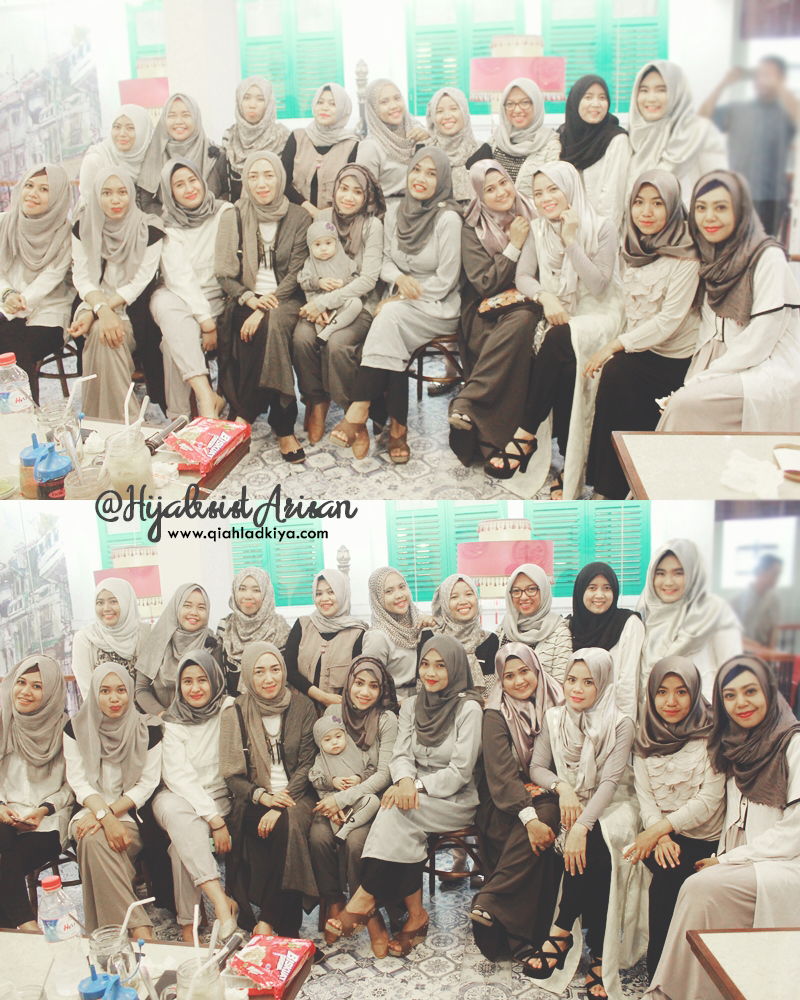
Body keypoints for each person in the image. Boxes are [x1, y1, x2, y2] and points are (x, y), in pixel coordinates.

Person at [645, 655, 800, 1000]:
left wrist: (727, 860)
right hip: (744, 860)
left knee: (698, 888)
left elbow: (795, 832)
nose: (740, 702)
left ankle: (668, 991)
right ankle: (695, 989)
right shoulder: (733, 745)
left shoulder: (793, 744)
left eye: (750, 691)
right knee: (692, 887)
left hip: (784, 863)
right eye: (729, 695)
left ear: (770, 692)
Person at [325, 636, 483, 956]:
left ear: (455, 668)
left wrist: (415, 786)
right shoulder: (411, 704)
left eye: (440, 665)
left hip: (454, 800)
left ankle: (364, 899)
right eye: (425, 663)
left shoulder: (469, 708)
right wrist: (406, 780)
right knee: (399, 813)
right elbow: (400, 755)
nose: (430, 672)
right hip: (413, 793)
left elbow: (460, 771)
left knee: (395, 809)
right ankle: (415, 916)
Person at [487, 162, 624, 501]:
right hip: (565, 315)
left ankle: (526, 433)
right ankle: (567, 463)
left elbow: (600, 285)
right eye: (538, 193)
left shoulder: (603, 227)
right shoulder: (537, 228)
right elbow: (523, 277)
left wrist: (570, 241)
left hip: (601, 315)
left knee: (559, 339)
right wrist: (545, 297)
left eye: (553, 189)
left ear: (571, 189)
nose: (545, 199)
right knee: (562, 355)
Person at [329, 147, 462, 464]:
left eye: (432, 173)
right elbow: (386, 261)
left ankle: (359, 408)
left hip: (437, 305)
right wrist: (400, 279)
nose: (421, 178)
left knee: (388, 318)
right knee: (392, 334)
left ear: (443, 179)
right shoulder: (395, 212)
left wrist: (400, 296)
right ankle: (398, 430)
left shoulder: (448, 219)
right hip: (400, 302)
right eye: (416, 169)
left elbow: (447, 279)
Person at [528, 649, 646, 999]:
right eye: (571, 680)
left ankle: (561, 931)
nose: (576, 689)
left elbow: (610, 783)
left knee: (597, 843)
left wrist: (580, 826)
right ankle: (598, 955)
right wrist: (562, 788)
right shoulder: (554, 717)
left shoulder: (621, 723)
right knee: (597, 856)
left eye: (588, 682)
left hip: (616, 803)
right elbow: (537, 767)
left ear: (604, 684)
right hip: (573, 800)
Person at [585, 169, 701, 499]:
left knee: (616, 373)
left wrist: (614, 345)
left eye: (657, 203)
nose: (646, 212)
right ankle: (605, 485)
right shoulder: (634, 246)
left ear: (673, 207)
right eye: (639, 202)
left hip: (675, 360)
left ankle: (615, 488)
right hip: (644, 349)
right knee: (611, 377)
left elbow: (669, 320)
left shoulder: (687, 253)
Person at [658, 170, 800, 433]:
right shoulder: (710, 254)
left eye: (721, 207)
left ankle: (660, 460)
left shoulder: (767, 257)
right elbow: (709, 330)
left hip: (766, 363)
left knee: (684, 405)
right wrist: (698, 376)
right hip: (726, 360)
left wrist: (699, 382)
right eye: (701, 207)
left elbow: (760, 340)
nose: (709, 217)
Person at [625, 656, 725, 979]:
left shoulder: (712, 736)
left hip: (706, 839)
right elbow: (646, 799)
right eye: (662, 692)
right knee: (665, 874)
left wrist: (657, 831)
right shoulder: (644, 739)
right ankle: (661, 975)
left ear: (694, 693)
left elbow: (709, 801)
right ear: (651, 694)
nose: (671, 701)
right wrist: (662, 837)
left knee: (669, 881)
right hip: (664, 837)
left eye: (681, 692)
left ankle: (672, 976)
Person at [470, 644, 564, 964]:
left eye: (524, 671)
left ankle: (491, 902)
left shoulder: (559, 700)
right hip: (502, 795)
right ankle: (523, 936)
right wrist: (529, 817)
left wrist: (548, 787)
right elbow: (500, 774)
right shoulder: (495, 712)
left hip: (547, 788)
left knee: (548, 816)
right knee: (534, 828)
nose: (519, 681)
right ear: (500, 679)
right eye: (508, 676)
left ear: (536, 668)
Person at [214, 151, 311, 458]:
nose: (261, 183)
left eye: (269, 175)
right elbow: (224, 273)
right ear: (245, 181)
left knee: (271, 325)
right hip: (245, 297)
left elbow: (297, 272)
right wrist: (251, 300)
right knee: (261, 331)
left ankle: (243, 415)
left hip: (287, 298)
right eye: (253, 176)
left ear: (280, 178)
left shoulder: (299, 216)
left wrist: (266, 307)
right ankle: (283, 427)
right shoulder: (234, 214)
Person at [218, 642, 318, 936]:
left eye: (275, 669)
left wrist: (279, 803)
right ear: (248, 675)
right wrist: (264, 798)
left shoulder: (302, 706)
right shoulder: (235, 712)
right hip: (253, 800)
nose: (269, 678)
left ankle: (269, 921)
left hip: (298, 794)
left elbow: (308, 764)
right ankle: (286, 931)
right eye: (259, 672)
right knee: (285, 829)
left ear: (284, 670)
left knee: (288, 825)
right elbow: (232, 776)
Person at [448, 160, 538, 467]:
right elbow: (485, 283)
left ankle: (468, 405)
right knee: (511, 333)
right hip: (484, 309)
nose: (501, 193)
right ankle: (493, 441)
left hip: (526, 302)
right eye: (489, 189)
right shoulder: (472, 227)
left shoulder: (534, 212)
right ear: (479, 195)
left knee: (522, 323)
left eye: (504, 183)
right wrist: (514, 246)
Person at [63, 666, 163, 938]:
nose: (114, 698)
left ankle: (108, 935)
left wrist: (108, 815)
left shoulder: (148, 729)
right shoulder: (75, 728)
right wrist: (105, 818)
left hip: (130, 816)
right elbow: (78, 782)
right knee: (93, 840)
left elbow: (147, 784)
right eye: (105, 691)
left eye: (121, 690)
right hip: (87, 811)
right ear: (94, 694)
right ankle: (139, 927)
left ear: (130, 692)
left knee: (92, 844)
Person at [308, 656, 398, 956]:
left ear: (382, 689)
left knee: (357, 842)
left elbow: (384, 775)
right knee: (318, 837)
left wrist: (343, 799)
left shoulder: (386, 720)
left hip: (368, 803)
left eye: (373, 686)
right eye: (359, 683)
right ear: (349, 684)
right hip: (331, 798)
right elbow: (320, 761)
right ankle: (335, 902)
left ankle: (369, 916)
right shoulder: (334, 712)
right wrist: (329, 796)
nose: (364, 692)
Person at [292, 164, 386, 441]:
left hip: (359, 305)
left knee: (337, 344)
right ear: (334, 190)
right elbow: (309, 266)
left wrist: (326, 303)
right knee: (301, 339)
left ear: (367, 196)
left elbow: (368, 280)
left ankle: (351, 415)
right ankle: (317, 402)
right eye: (343, 188)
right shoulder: (323, 217)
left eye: (357, 191)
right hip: (319, 300)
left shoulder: (372, 225)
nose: (348, 197)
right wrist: (318, 300)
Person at [152, 651, 238, 942]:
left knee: (182, 843)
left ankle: (189, 922)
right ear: (178, 685)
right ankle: (221, 903)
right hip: (177, 796)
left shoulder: (229, 708)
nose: (195, 688)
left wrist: (213, 814)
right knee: (178, 816)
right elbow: (178, 776)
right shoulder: (172, 720)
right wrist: (214, 820)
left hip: (220, 795)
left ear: (215, 680)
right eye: (187, 681)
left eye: (202, 679)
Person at [69, 165, 164, 422]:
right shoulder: (83, 226)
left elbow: (139, 282)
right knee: (103, 336)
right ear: (96, 195)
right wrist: (99, 310)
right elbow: (82, 277)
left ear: (131, 193)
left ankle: (99, 422)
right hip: (92, 304)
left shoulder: (149, 229)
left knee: (104, 336)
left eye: (122, 192)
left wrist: (101, 312)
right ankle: (126, 423)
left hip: (131, 311)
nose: (115, 200)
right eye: (107, 193)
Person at [149, 157, 233, 419]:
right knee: (166, 305)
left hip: (217, 295)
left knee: (171, 341)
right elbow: (179, 278)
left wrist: (207, 319)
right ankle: (207, 397)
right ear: (170, 192)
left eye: (193, 180)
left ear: (202, 180)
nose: (189, 189)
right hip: (178, 296)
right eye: (179, 185)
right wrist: (206, 323)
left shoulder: (224, 212)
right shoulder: (167, 224)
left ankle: (180, 417)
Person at [0, 656, 72, 931]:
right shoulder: (3, 722)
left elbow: (73, 786)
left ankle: (16, 933)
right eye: (21, 682)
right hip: (5, 816)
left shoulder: (67, 729)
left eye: (37, 686)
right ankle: (27, 926)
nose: (25, 692)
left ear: (51, 691)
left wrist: (43, 809)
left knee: (5, 864)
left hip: (48, 821)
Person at [699, 56, 797, 237]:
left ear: (781, 79)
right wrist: (724, 83)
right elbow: (702, 116)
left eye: (768, 74)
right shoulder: (739, 109)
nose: (761, 79)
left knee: (764, 248)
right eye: (759, 74)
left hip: (771, 199)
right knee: (734, 247)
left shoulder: (786, 112)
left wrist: (780, 86)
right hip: (737, 195)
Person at [0, 163, 74, 402]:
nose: (33, 194)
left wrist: (18, 305)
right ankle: (27, 410)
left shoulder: (65, 233)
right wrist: (7, 294)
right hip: (6, 304)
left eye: (44, 189)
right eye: (29, 185)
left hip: (48, 313)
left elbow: (51, 277)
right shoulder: (4, 223)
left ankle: (22, 412)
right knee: (8, 337)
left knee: (10, 344)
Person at [637, 539, 742, 704]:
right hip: (649, 712)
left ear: (693, 574)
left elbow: (733, 672)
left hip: (701, 711)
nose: (668, 582)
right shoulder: (644, 612)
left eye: (678, 573)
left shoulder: (714, 611)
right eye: (661, 573)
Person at [626, 61, 727, 206]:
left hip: (686, 219)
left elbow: (721, 189)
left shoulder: (698, 131)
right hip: (637, 219)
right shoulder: (632, 135)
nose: (651, 98)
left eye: (661, 90)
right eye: (644, 90)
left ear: (677, 92)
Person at [567, 562, 644, 721]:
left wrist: (624, 726)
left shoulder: (629, 624)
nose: (600, 595)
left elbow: (628, 684)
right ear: (581, 590)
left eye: (607, 588)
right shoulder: (569, 627)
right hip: (574, 720)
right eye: (592, 588)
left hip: (613, 721)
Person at [283, 568, 367, 711]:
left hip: (339, 712)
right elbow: (288, 669)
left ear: (342, 594)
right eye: (319, 593)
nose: (324, 598)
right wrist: (322, 697)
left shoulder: (358, 633)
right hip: (300, 711)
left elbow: (357, 679)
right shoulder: (303, 625)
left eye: (331, 592)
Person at [558, 75, 630, 231]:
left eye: (602, 97)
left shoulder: (616, 139)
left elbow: (612, 201)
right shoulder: (563, 137)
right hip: (565, 232)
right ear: (575, 100)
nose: (596, 104)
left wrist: (598, 238)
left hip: (600, 233)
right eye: (588, 97)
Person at [137, 93, 228, 213]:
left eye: (186, 115)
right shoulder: (155, 155)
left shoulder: (215, 154)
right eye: (171, 116)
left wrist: (208, 214)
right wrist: (173, 217)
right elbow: (146, 203)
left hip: (211, 220)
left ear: (196, 118)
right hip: (169, 223)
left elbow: (228, 194)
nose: (178, 121)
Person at [135, 583, 217, 714]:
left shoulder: (213, 644)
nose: (194, 612)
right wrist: (162, 716)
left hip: (203, 718)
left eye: (201, 607)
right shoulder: (157, 641)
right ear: (176, 607)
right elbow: (141, 689)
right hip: (162, 719)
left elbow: (217, 689)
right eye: (187, 605)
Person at [281, 82, 359, 216]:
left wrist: (327, 215)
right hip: (296, 217)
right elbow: (283, 182)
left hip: (336, 219)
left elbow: (354, 190)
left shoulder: (352, 145)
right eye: (320, 102)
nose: (324, 108)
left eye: (332, 104)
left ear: (343, 109)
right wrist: (311, 211)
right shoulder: (297, 137)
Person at [360, 566, 433, 702]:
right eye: (389, 591)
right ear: (378, 598)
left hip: (426, 700)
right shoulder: (378, 636)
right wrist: (400, 703)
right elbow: (369, 683)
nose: (399, 595)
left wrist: (434, 626)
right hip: (393, 704)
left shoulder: (419, 624)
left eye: (402, 587)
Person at [72, 578, 152, 699]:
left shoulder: (145, 633)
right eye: (100, 602)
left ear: (127, 603)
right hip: (101, 709)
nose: (106, 608)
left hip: (144, 708)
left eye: (113, 601)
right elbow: (87, 690)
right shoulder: (85, 638)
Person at [216, 567, 290, 695]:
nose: (248, 596)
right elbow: (221, 673)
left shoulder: (280, 627)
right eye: (242, 589)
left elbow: (287, 677)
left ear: (266, 594)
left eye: (256, 590)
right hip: (234, 703)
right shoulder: (226, 626)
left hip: (273, 703)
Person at [309, 714, 380, 839]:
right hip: (334, 804)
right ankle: (341, 833)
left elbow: (371, 770)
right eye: (327, 740)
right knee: (333, 820)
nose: (334, 742)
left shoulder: (358, 754)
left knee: (374, 801)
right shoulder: (320, 761)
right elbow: (314, 779)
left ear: (345, 736)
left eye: (338, 736)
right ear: (319, 743)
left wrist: (360, 778)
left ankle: (347, 828)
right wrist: (332, 781)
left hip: (358, 800)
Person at [497, 565, 573, 681]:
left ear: (543, 591)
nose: (523, 597)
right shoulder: (504, 629)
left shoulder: (559, 632)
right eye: (516, 591)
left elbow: (560, 683)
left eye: (531, 589)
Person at [356, 79, 429, 197]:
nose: (394, 106)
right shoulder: (370, 147)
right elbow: (363, 193)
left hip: (422, 205)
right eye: (384, 102)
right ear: (373, 108)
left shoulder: (418, 132)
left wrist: (428, 139)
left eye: (397, 98)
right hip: (389, 207)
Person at [222, 77, 289, 202]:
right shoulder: (229, 137)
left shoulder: (283, 137)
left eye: (260, 99)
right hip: (237, 210)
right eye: (246, 98)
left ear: (268, 103)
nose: (252, 105)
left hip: (277, 210)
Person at [430, 573, 499, 692]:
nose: (463, 601)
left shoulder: (489, 640)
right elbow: (423, 688)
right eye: (454, 597)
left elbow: (490, 692)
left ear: (476, 598)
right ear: (444, 603)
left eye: (469, 594)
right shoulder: (431, 638)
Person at [491, 78, 560, 195]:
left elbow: (553, 192)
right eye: (510, 104)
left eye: (525, 103)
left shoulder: (551, 145)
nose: (517, 110)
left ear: (536, 104)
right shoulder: (495, 141)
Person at [425, 87, 492, 204]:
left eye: (454, 109)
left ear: (464, 112)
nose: (447, 116)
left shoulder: (481, 150)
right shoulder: (426, 152)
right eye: (439, 111)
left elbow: (489, 195)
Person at [297, 221, 361, 339]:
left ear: (336, 243)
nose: (323, 248)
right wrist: (318, 282)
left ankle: (330, 330)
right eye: (317, 244)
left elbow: (357, 280)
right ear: (310, 246)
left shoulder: (346, 262)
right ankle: (322, 335)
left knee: (356, 303)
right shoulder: (310, 264)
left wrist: (343, 282)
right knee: (315, 321)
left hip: (341, 305)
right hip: (318, 307)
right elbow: (303, 283)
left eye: (328, 243)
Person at [79, 105, 153, 201]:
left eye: (130, 128)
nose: (122, 134)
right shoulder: (96, 161)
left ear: (143, 132)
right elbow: (89, 204)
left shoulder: (153, 159)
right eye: (117, 127)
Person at [730, 554, 783, 649]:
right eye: (775, 574)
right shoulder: (737, 599)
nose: (777, 579)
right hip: (740, 650)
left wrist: (771, 651)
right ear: (762, 572)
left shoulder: (774, 600)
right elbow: (731, 631)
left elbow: (773, 629)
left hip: (764, 651)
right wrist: (753, 645)